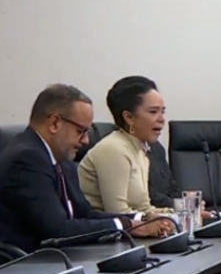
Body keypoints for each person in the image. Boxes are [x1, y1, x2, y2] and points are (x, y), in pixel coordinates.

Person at [0, 84, 165, 252]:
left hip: (60, 259)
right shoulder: (26, 159)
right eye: (81, 131)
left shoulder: (61, 157)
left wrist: (142, 218)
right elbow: (58, 230)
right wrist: (125, 225)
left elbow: (85, 214)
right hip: (28, 267)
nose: (86, 141)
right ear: (55, 123)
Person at [79, 77, 178, 228]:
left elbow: (144, 209)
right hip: (102, 238)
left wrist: (181, 213)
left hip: (131, 233)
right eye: (153, 112)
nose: (162, 119)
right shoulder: (114, 149)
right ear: (129, 117)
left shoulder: (140, 150)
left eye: (162, 112)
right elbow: (118, 212)